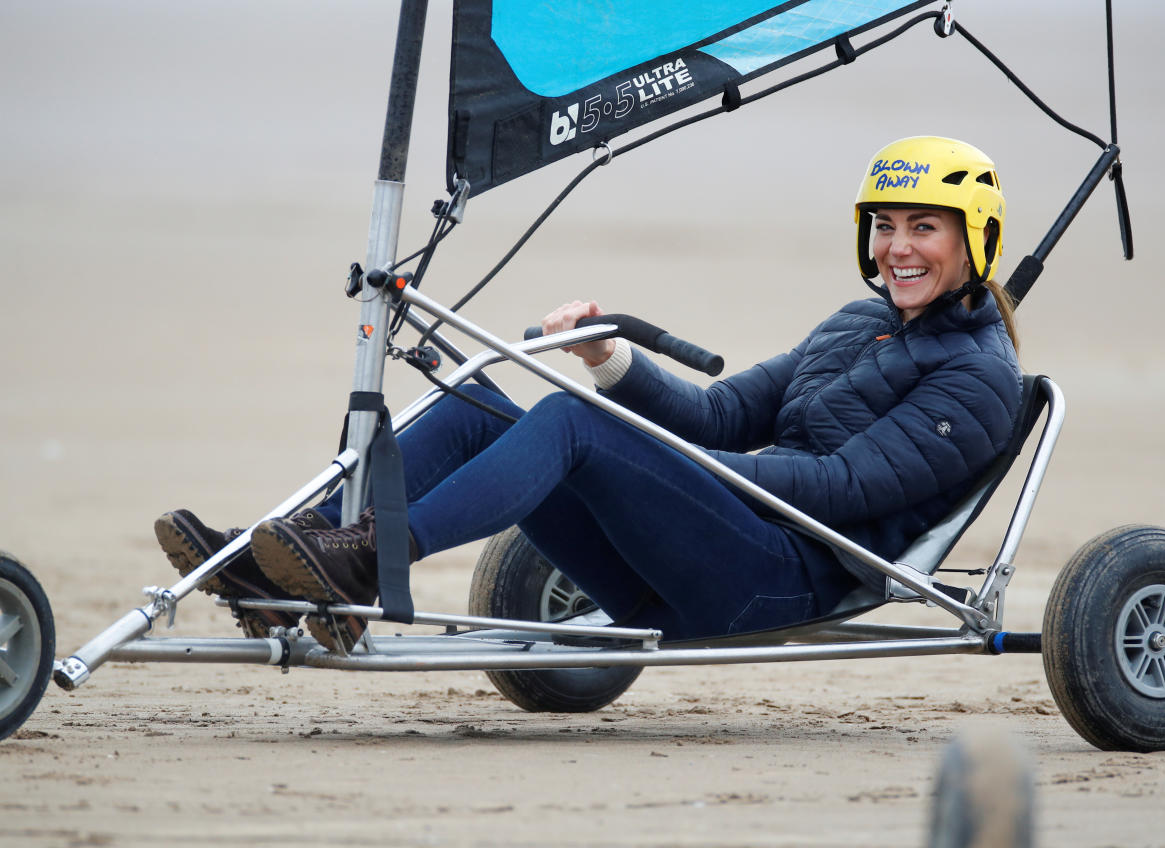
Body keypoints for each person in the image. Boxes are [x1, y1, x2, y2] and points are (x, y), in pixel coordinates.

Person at [155, 136, 1022, 652]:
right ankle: (287, 557)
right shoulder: (851, 321)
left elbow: (837, 491)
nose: (896, 249)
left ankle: (366, 565)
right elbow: (722, 414)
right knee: (474, 406)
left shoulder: (979, 378)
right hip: (709, 547)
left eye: (923, 229)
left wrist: (668, 461)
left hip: (773, 586)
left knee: (573, 425)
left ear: (972, 240)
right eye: (884, 225)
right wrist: (609, 357)